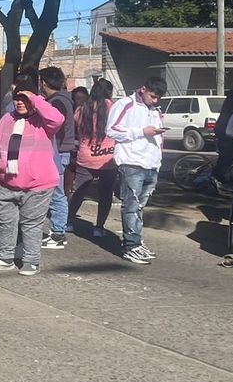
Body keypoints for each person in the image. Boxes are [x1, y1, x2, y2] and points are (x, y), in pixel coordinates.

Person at [0, 81, 63, 276]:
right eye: (17, 98)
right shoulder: (6, 119)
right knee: (6, 222)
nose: (19, 102)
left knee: (31, 224)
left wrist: (35, 98)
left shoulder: (43, 121)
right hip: (7, 181)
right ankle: (5, 258)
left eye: (24, 98)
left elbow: (58, 119)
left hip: (37, 184)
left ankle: (31, 260)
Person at [106, 76, 166, 264]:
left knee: (140, 207)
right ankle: (130, 246)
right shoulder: (126, 104)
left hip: (151, 164)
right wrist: (141, 131)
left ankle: (137, 242)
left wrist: (158, 161)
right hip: (132, 163)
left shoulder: (155, 110)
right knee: (131, 206)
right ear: (143, 89)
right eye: (152, 96)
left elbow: (158, 139)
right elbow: (111, 130)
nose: (155, 101)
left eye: (158, 98)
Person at [68, 79, 117, 237]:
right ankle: (99, 227)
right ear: (109, 92)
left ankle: (68, 222)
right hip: (108, 158)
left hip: (86, 156)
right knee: (105, 194)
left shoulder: (82, 108)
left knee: (78, 192)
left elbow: (77, 126)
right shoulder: (114, 108)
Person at [39, 67, 76, 250]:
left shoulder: (57, 102)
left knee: (57, 195)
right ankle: (57, 231)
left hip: (58, 152)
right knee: (56, 193)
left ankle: (58, 234)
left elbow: (57, 130)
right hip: (60, 151)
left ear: (44, 82)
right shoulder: (62, 99)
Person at [212, 89, 233, 185]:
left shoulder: (231, 99)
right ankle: (216, 177)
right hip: (225, 132)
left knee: (226, 157)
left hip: (223, 130)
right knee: (228, 157)